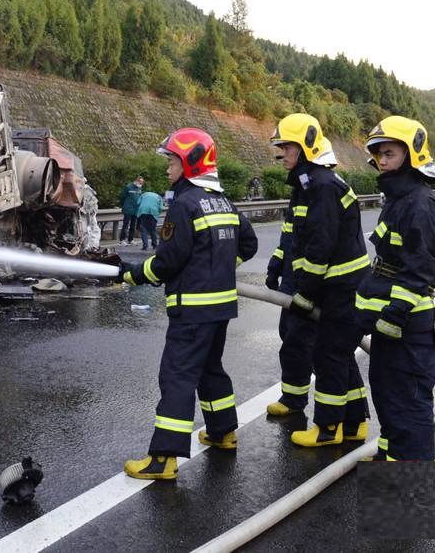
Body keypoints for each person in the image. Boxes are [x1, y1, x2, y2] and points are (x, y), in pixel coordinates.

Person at [116, 128, 258, 480]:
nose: (167, 169)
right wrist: (218, 270)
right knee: (210, 369)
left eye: (171, 161)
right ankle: (223, 433)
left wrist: (133, 275)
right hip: (221, 307)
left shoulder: (184, 204)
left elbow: (167, 262)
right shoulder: (223, 201)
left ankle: (164, 458)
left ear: (190, 162)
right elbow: (249, 244)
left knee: (177, 376)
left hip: (192, 308)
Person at [269, 113, 371, 447]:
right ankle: (355, 423)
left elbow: (320, 248)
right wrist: (281, 263)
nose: (280, 152)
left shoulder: (322, 186)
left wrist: (304, 294)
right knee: (339, 354)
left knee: (329, 355)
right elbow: (301, 238)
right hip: (338, 287)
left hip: (340, 288)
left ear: (305, 147)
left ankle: (327, 430)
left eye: (286, 146)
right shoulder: (310, 183)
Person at [355, 116, 435, 461]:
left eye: (390, 153)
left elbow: (418, 270)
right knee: (389, 398)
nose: (382, 161)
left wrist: (393, 314)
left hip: (407, 327)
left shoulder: (419, 205)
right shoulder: (400, 199)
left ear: (412, 155)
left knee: (408, 408)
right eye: (378, 154)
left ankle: (405, 501)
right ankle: (389, 467)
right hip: (392, 325)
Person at [118, 175, 144, 245]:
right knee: (125, 225)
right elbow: (122, 196)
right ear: (136, 181)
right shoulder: (128, 187)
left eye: (142, 183)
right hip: (128, 209)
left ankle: (131, 239)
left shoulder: (139, 189)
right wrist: (124, 205)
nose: (141, 184)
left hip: (135, 210)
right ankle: (122, 240)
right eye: (140, 182)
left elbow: (139, 198)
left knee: (133, 225)